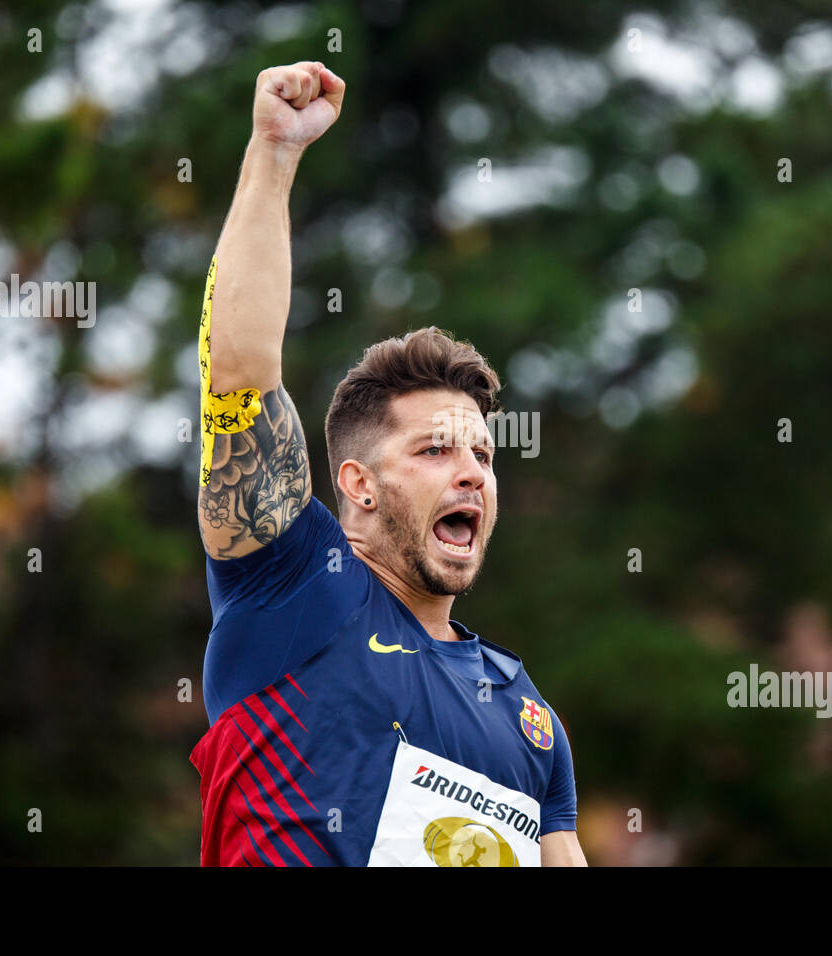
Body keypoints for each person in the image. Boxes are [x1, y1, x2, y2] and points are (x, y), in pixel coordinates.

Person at [189, 61, 585, 867]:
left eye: (482, 452)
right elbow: (236, 378)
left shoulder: (524, 710)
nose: (472, 471)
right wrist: (273, 153)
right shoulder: (299, 588)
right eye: (435, 449)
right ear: (358, 485)